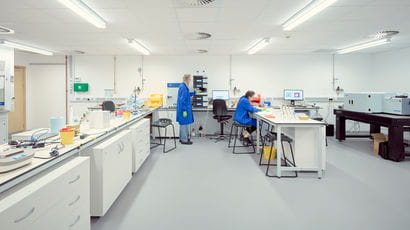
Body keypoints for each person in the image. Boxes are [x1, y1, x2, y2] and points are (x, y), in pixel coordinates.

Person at [176, 74, 195, 145]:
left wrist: (196, 92)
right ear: (187, 79)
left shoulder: (184, 87)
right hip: (184, 110)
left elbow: (187, 95)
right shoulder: (183, 87)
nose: (190, 81)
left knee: (183, 124)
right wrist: (184, 110)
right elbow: (182, 100)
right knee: (184, 124)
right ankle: (184, 140)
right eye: (190, 79)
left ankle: (182, 138)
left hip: (184, 109)